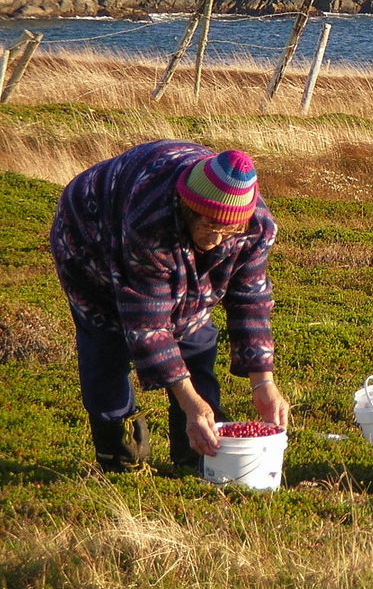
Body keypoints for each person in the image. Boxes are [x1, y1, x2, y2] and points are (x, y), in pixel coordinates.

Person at [50, 140, 290, 473]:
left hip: (158, 230)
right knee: (108, 342)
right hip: (91, 236)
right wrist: (187, 398)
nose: (219, 239)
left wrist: (262, 382)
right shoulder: (148, 220)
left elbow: (250, 298)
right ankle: (120, 453)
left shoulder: (255, 226)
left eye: (229, 230)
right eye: (210, 226)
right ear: (188, 207)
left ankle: (196, 455)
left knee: (194, 336)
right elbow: (147, 323)